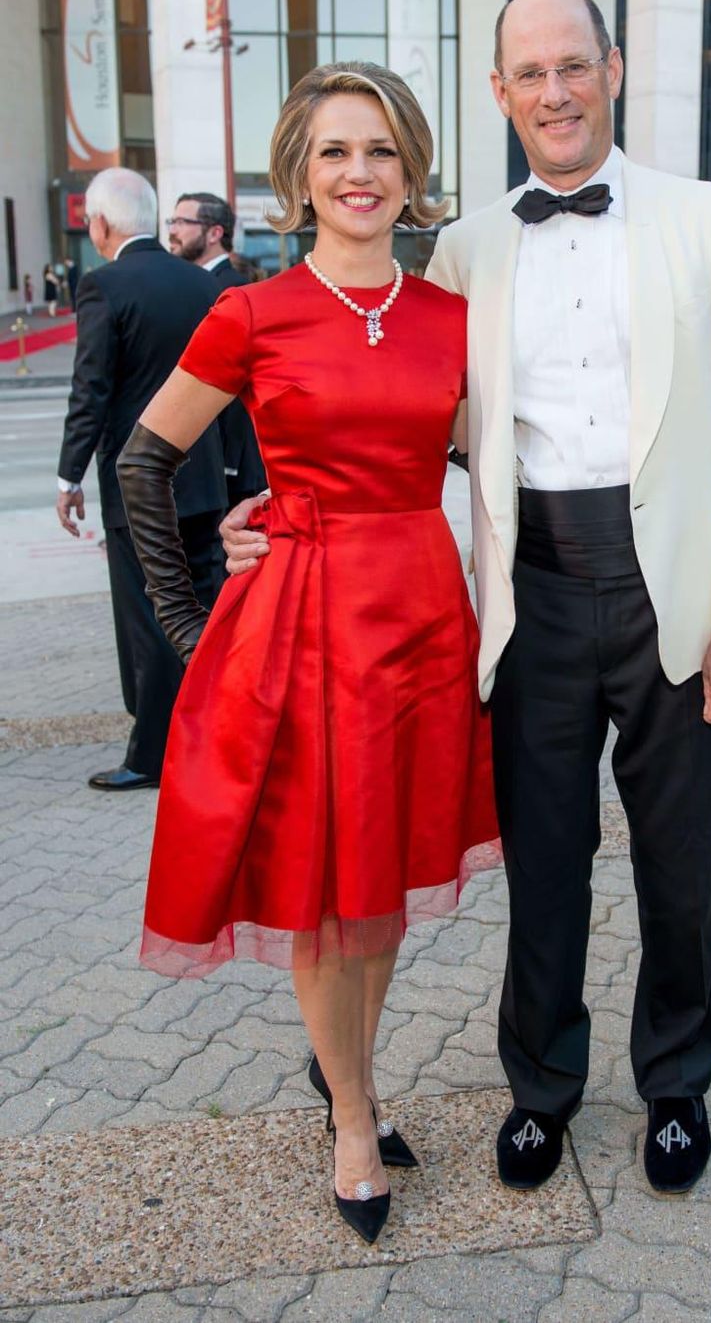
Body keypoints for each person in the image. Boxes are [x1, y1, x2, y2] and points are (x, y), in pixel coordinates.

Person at [222, 0, 711, 1200]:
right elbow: (394, 415)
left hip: (674, 593)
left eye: (572, 65)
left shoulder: (708, 219)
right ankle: (540, 1086)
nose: (554, 92)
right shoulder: (465, 247)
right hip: (527, 595)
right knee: (543, 860)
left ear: (611, 70)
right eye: (528, 73)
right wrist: (271, 507)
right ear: (498, 93)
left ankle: (676, 1081)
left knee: (676, 861)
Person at [115, 63, 500, 1244]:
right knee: (324, 896)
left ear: (411, 169)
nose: (358, 172)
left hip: (423, 623)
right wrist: (188, 624)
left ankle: (348, 1071)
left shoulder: (453, 319)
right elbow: (142, 461)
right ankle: (352, 1115)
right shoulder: (252, 312)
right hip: (305, 630)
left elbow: (488, 461)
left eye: (380, 149)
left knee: (380, 883)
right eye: (334, 150)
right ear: (298, 174)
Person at [55, 168, 227, 791]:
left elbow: (92, 388)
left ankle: (152, 755)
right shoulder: (200, 282)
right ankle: (213, 735)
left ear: (101, 224)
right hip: (204, 480)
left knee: (149, 618)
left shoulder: (104, 285)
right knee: (202, 610)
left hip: (139, 484)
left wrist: (69, 475)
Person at [166, 192, 267, 507]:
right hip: (206, 461)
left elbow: (244, 383)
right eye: (172, 221)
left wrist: (228, 462)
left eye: (182, 222)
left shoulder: (233, 290)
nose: (172, 230)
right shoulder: (196, 285)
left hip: (232, 465)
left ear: (214, 233)